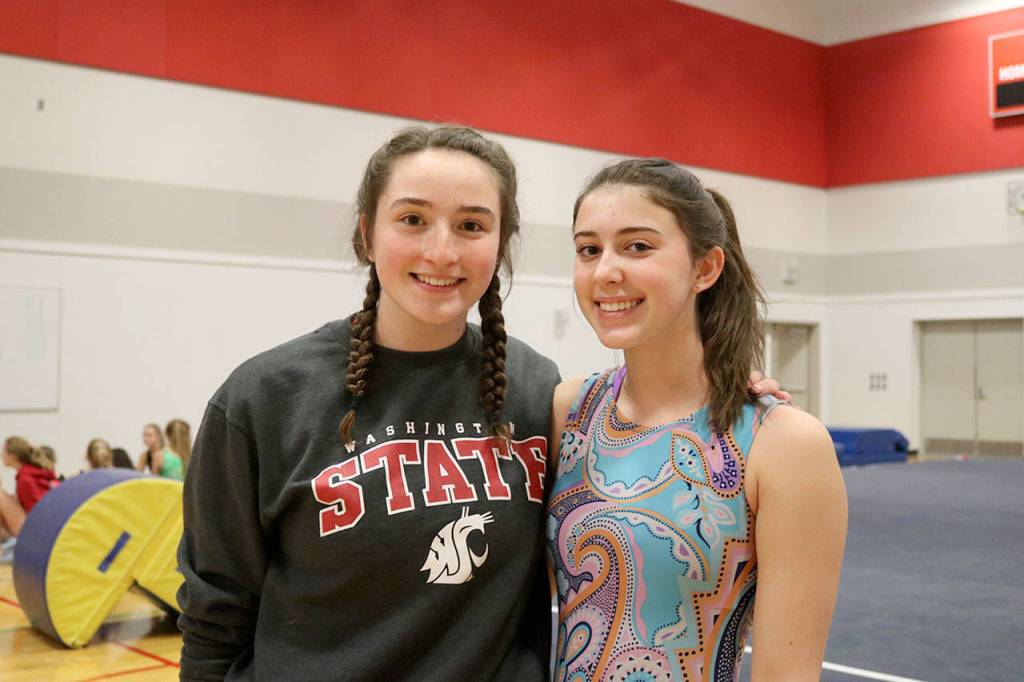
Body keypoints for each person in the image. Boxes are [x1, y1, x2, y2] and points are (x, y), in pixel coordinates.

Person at [177, 126, 788, 681]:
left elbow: (648, 427)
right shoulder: (265, 398)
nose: (442, 252)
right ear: (367, 234)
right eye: (412, 219)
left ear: (500, 244)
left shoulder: (537, 391)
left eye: (471, 226)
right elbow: (215, 619)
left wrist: (719, 389)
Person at [547, 159, 847, 681]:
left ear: (705, 269)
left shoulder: (783, 444)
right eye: (589, 249)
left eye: (637, 246)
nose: (605, 271)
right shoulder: (571, 411)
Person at [1, 436, 60, 538]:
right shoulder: (29, 473)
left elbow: (38, 512)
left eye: (3, 452)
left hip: (41, 532)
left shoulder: (26, 479)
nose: (1, 456)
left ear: (13, 456)